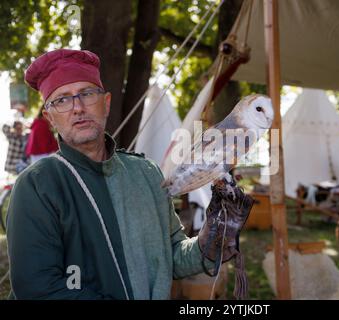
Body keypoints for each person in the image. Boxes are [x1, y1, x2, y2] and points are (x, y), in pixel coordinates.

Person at [6, 49, 248, 300]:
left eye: (87, 94)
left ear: (106, 103)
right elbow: (37, 288)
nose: (77, 107)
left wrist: (210, 238)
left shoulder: (146, 174)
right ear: (49, 117)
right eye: (62, 100)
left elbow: (172, 255)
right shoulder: (37, 185)